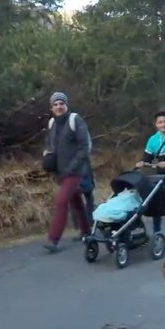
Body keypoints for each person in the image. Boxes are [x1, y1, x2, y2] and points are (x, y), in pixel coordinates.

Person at [42, 92, 92, 253]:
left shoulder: (75, 120)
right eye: (55, 104)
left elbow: (84, 147)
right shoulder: (52, 123)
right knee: (76, 201)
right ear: (51, 107)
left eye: (61, 103)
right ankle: (86, 231)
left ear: (66, 105)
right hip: (60, 171)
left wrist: (73, 166)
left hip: (75, 170)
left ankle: (53, 239)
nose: (59, 107)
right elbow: (50, 144)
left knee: (61, 202)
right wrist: (48, 156)